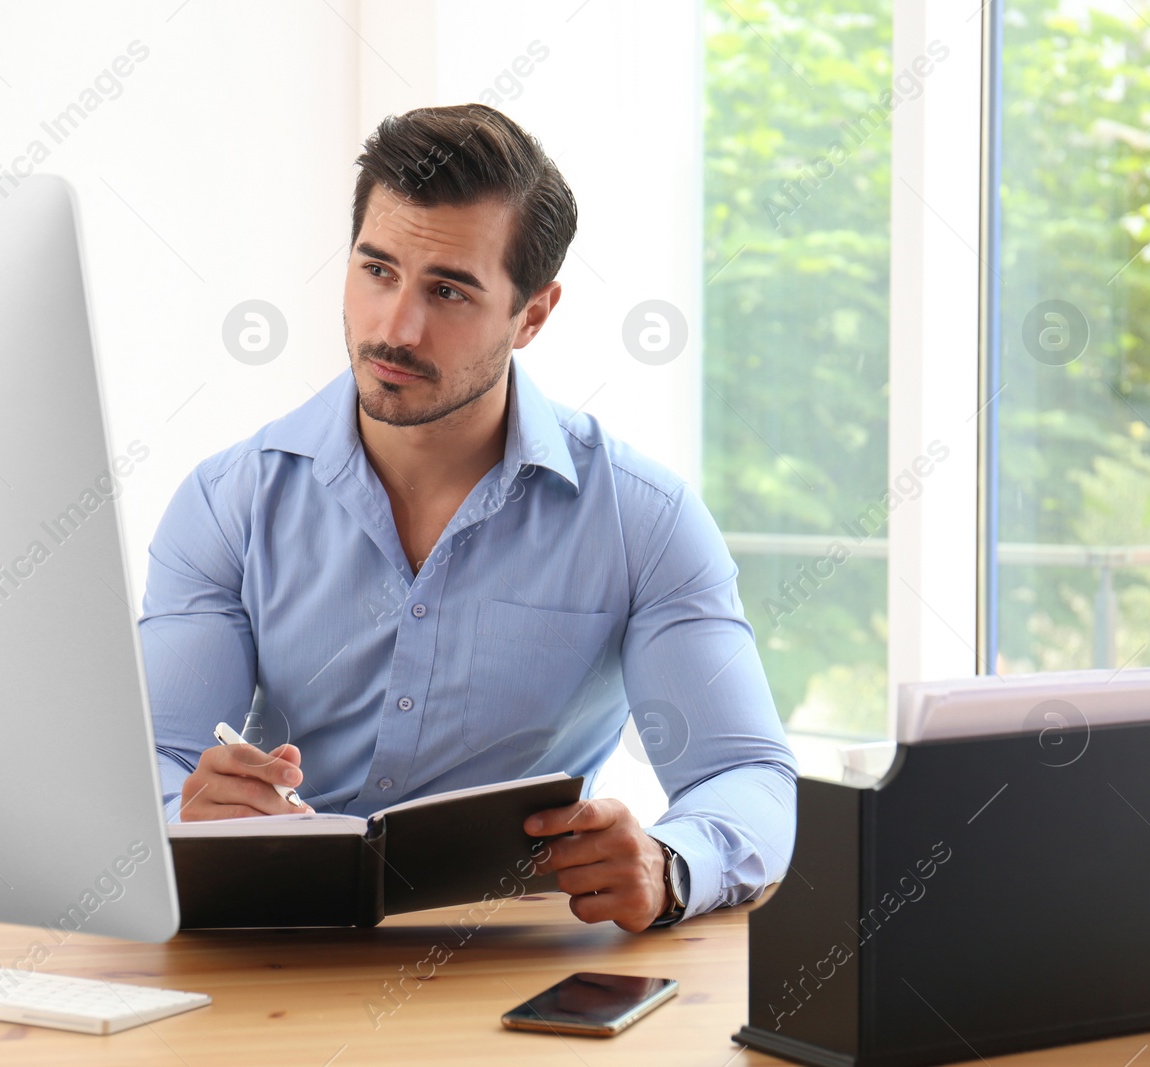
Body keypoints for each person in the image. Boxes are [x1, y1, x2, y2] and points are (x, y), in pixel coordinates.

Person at [142, 103, 796, 931]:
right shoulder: (227, 502)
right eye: (377, 270)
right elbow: (157, 762)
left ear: (533, 314)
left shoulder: (643, 518)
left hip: (511, 958)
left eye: (448, 290)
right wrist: (188, 807)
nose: (395, 328)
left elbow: (746, 772)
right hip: (268, 941)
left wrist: (670, 863)